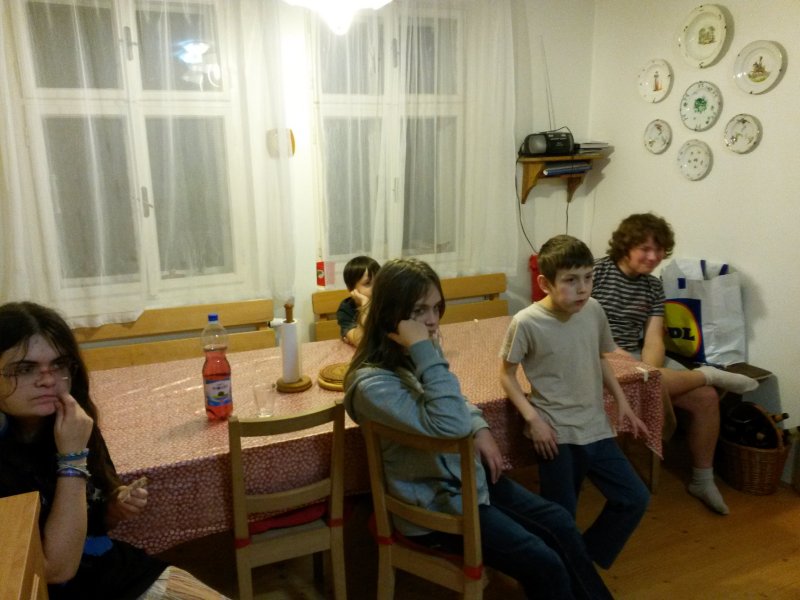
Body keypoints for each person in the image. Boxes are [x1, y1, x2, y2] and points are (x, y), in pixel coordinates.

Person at [344, 257, 612, 600]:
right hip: (433, 506)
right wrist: (427, 352)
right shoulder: (372, 385)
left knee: (559, 522)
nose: (431, 320)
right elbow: (450, 423)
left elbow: (456, 400)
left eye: (436, 308)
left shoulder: (412, 353)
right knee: (544, 561)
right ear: (390, 314)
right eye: (419, 310)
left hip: (467, 480)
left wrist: (480, 427)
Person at [0, 301, 226, 600]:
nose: (48, 380)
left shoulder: (72, 422)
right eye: (25, 369)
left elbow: (95, 519)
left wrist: (113, 508)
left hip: (111, 571)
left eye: (59, 365)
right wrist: (71, 459)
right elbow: (54, 570)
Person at [499, 235, 650, 570]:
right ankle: (562, 569)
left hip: (595, 426)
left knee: (634, 497)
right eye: (570, 280)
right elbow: (507, 375)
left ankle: (582, 555)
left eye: (588, 277)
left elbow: (599, 358)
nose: (582, 288)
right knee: (561, 515)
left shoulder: (593, 309)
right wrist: (533, 419)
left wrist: (622, 402)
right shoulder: (526, 322)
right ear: (545, 283)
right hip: (556, 434)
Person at [592, 213, 758, 515]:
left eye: (659, 250)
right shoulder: (595, 272)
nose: (653, 257)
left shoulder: (653, 287)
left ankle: (702, 480)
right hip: (599, 355)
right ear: (625, 245)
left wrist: (649, 371)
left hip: (638, 357)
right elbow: (580, 326)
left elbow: (654, 338)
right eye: (645, 248)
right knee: (697, 383)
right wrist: (629, 363)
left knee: (706, 398)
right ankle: (709, 374)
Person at [336, 255, 380, 346]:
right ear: (351, 289)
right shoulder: (347, 308)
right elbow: (360, 341)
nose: (376, 287)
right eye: (367, 283)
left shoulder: (387, 302)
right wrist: (365, 307)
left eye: (379, 281)